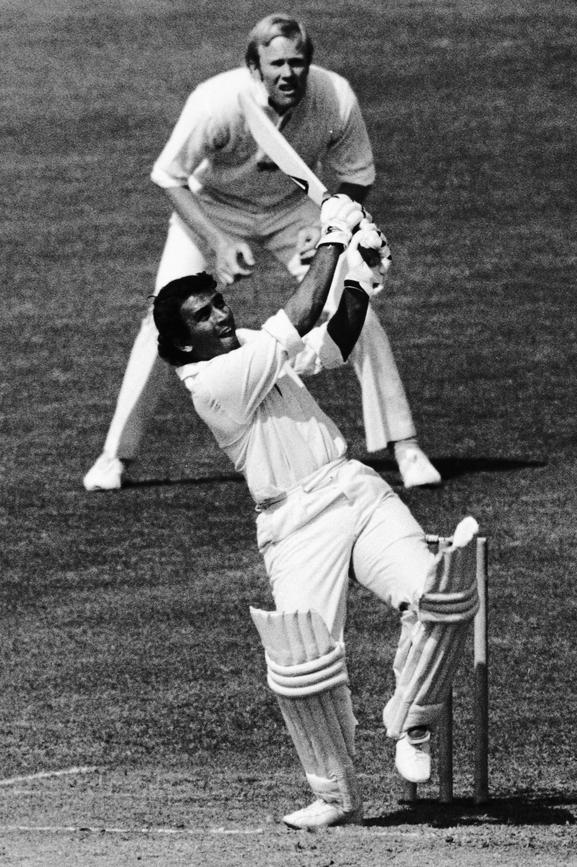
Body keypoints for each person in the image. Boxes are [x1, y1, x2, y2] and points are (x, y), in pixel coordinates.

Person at [151, 195, 478, 830]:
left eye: (218, 303)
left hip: (352, 489)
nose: (221, 315)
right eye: (203, 315)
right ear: (182, 344)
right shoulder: (210, 385)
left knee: (436, 597)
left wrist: (362, 273)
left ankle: (413, 718)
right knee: (304, 662)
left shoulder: (246, 344)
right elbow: (299, 315)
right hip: (294, 525)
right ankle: (336, 795)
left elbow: (333, 341)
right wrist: (333, 236)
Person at [83, 12, 441, 492]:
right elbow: (168, 176)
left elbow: (358, 173)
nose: (288, 74)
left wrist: (330, 228)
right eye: (276, 64)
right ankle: (114, 456)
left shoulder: (335, 98)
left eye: (297, 63)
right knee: (161, 320)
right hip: (213, 209)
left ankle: (405, 445)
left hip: (294, 210)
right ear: (255, 66)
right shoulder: (215, 103)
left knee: (359, 309)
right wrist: (217, 241)